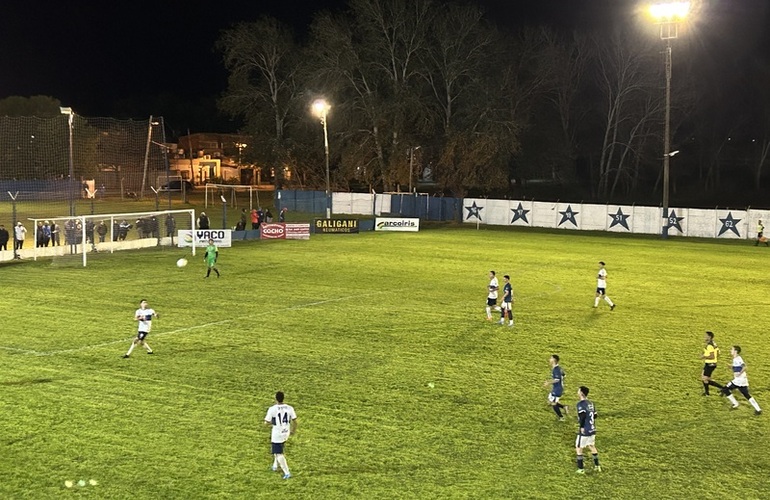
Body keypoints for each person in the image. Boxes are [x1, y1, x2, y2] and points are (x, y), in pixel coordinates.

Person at [264, 391, 297, 480]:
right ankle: (275, 465)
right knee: (278, 447)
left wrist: (272, 422)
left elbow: (266, 423)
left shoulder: (272, 409)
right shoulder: (290, 408)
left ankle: (287, 472)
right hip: (286, 432)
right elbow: (295, 421)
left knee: (279, 453)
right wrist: (293, 431)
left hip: (277, 434)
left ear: (275, 399)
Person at [720, 346, 762, 415]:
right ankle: (758, 409)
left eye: (732, 349)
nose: (730, 350)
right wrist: (731, 366)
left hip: (739, 380)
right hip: (743, 380)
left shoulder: (738, 359)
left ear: (736, 351)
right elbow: (737, 367)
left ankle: (735, 403)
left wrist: (739, 373)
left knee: (725, 389)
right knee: (746, 394)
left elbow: (744, 367)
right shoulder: (736, 359)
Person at [575, 386, 601, 474]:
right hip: (592, 429)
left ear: (581, 393)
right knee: (591, 446)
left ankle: (581, 469)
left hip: (585, 430)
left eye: (578, 390)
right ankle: (597, 466)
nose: (577, 392)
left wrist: (582, 426)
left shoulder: (580, 404)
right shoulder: (591, 403)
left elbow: (582, 416)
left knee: (579, 448)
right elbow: (595, 415)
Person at [544, 355, 568, 420]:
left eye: (551, 358)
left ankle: (561, 417)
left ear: (554, 360)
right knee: (550, 401)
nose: (549, 359)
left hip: (557, 389)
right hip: (557, 388)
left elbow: (557, 379)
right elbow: (564, 375)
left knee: (553, 404)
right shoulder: (559, 368)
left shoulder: (556, 370)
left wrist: (548, 382)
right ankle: (564, 407)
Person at [700, 331, 723, 396]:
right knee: (704, 377)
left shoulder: (710, 345)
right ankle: (707, 393)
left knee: (705, 378)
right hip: (710, 363)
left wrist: (704, 356)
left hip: (710, 364)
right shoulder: (713, 343)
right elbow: (718, 352)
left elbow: (712, 356)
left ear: (709, 337)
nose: (704, 337)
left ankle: (723, 388)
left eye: (706, 336)